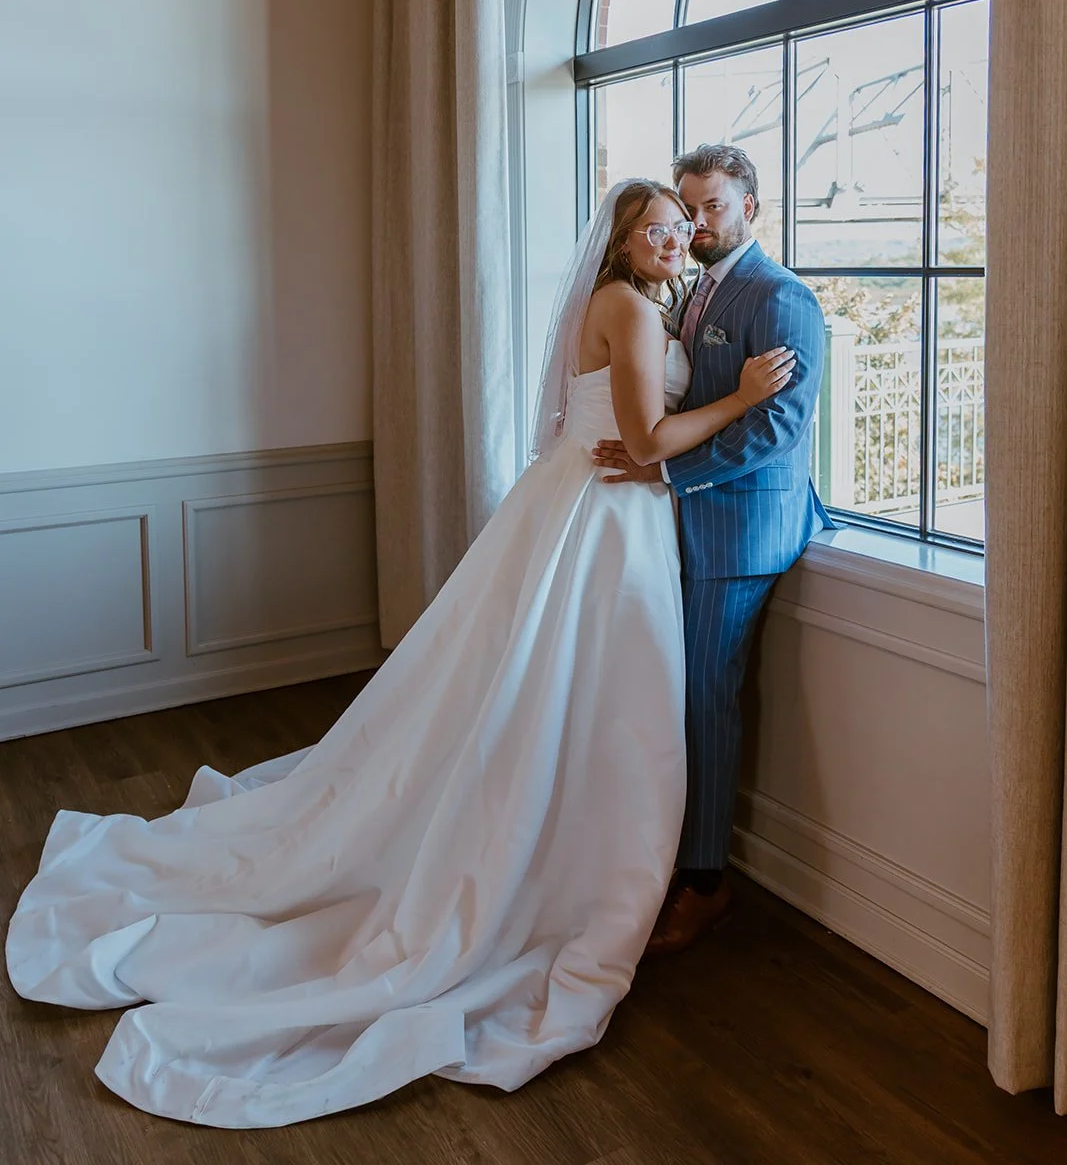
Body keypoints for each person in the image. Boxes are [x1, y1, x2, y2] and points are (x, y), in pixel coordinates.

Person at [5, 178, 794, 1130]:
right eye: (655, 230)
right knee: (582, 692)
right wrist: (745, 399)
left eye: (679, 227)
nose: (672, 240)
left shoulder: (638, 300)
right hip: (605, 519)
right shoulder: (627, 306)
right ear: (622, 246)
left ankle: (563, 828)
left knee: (563, 693)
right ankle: (562, 856)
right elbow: (645, 438)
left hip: (592, 511)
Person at [593, 145, 835, 955]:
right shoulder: (689, 288)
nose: (697, 222)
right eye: (687, 207)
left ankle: (705, 885)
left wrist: (662, 470)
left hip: (739, 530)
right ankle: (660, 853)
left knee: (703, 699)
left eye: (713, 206)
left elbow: (776, 428)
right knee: (669, 693)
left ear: (750, 208)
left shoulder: (782, 297)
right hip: (683, 521)